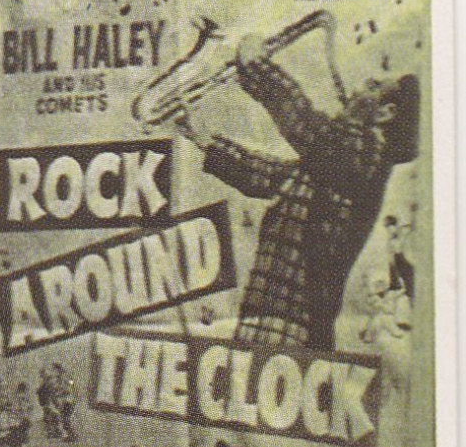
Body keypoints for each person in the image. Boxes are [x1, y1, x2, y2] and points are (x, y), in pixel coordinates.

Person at [175, 36, 420, 350]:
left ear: (386, 113)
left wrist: (257, 69)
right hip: (268, 317)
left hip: (295, 327)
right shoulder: (345, 159)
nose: (359, 85)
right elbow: (269, 175)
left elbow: (308, 129)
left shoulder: (366, 157)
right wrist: (202, 138)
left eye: (372, 85)